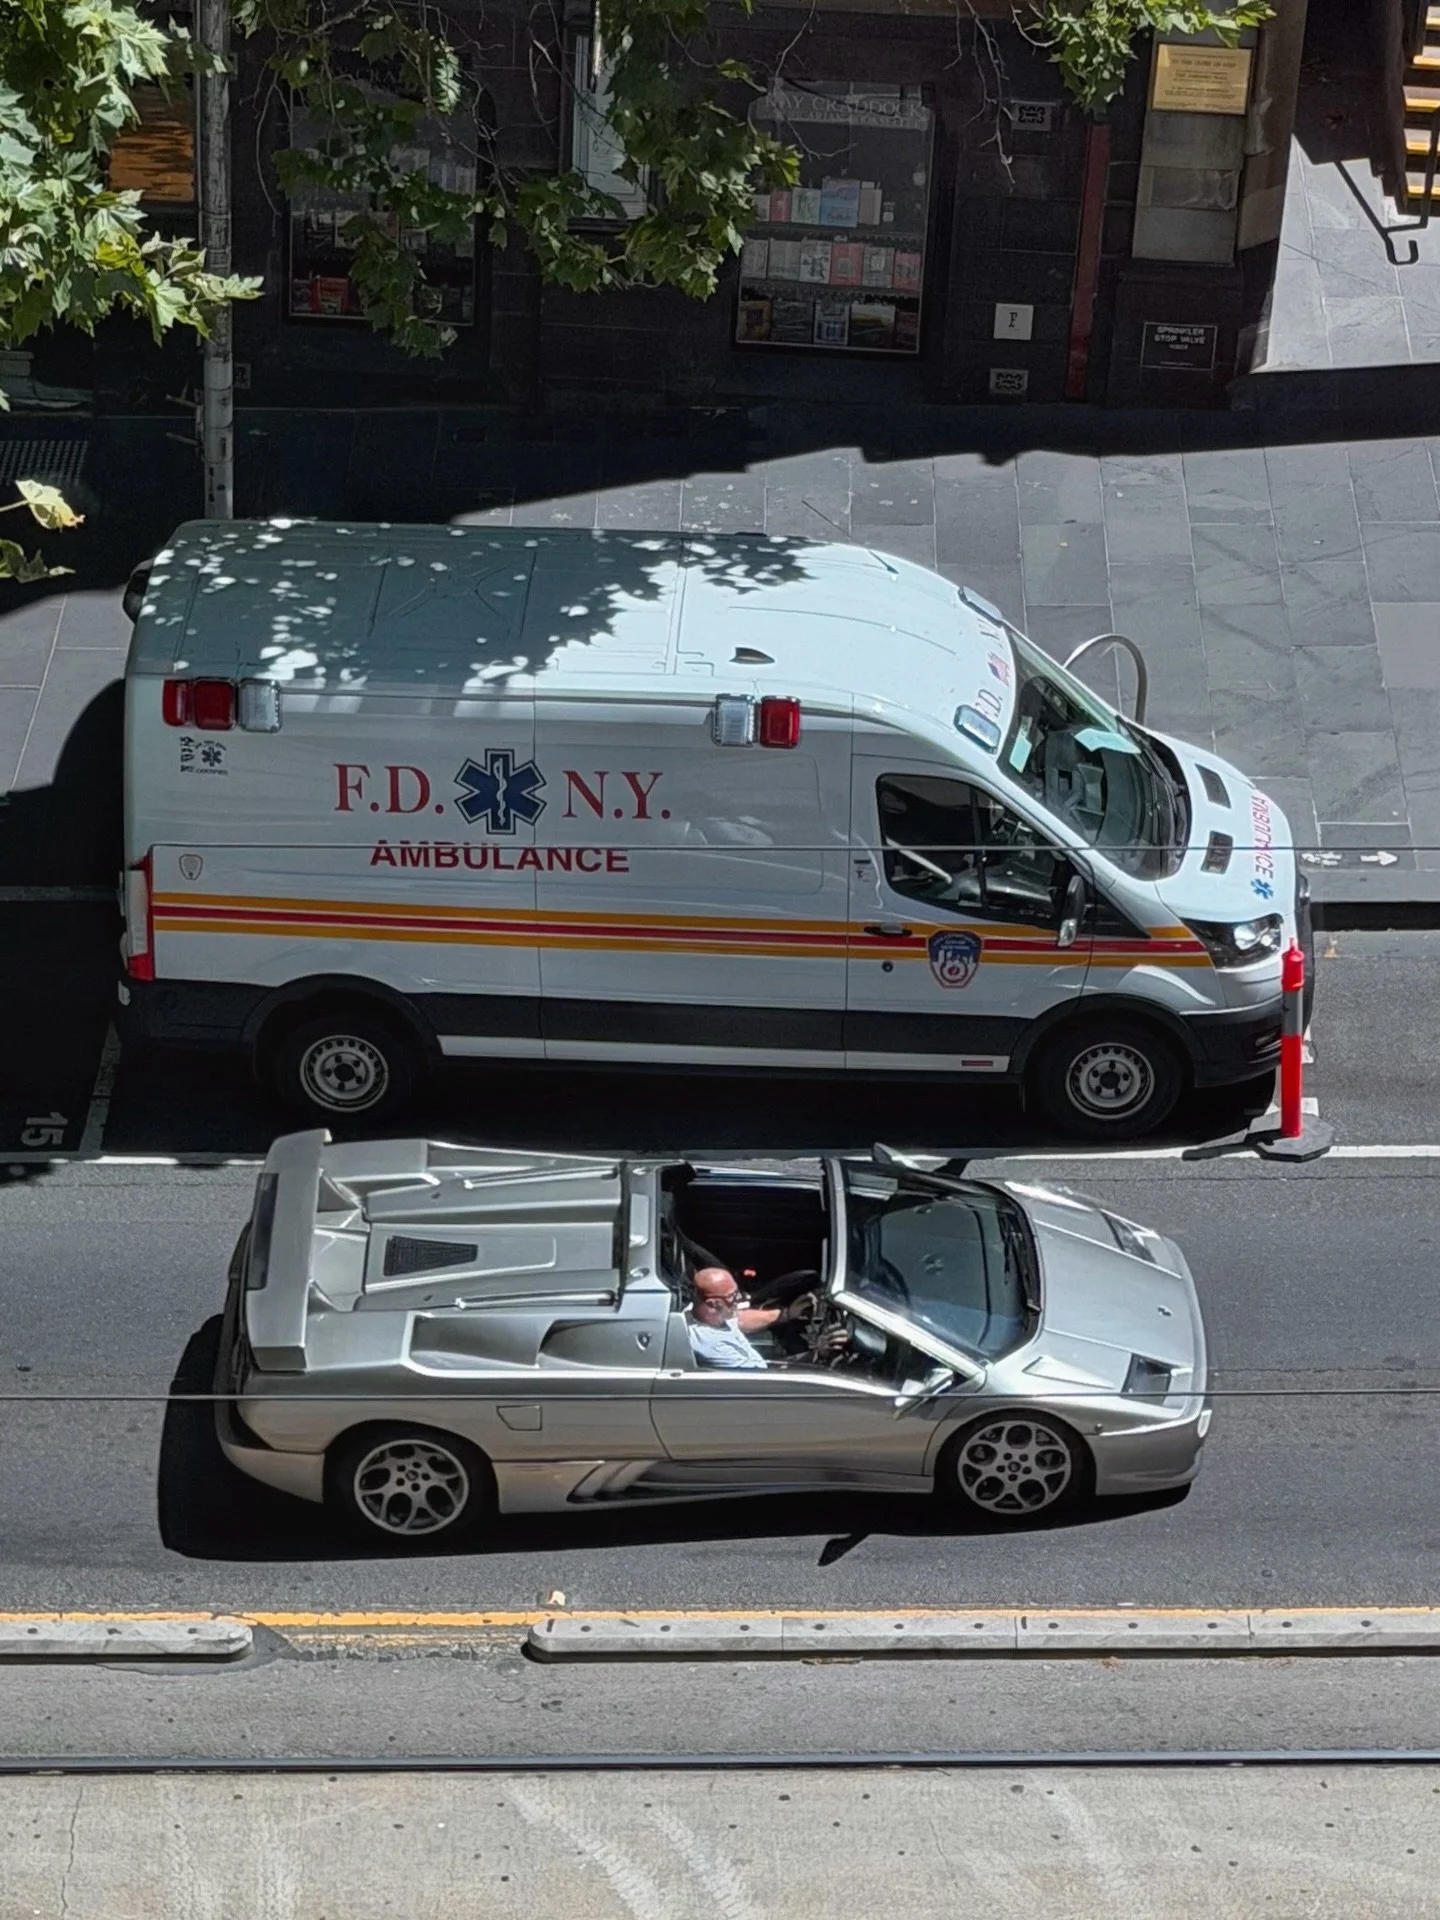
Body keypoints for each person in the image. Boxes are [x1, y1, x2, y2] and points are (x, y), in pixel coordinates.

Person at [687, 1267, 846, 1371]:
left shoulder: (701, 1313)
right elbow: (763, 1379)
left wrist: (786, 1314)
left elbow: (739, 1319)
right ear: (713, 1304)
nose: (740, 1299)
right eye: (733, 1296)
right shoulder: (711, 1345)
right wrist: (817, 1354)